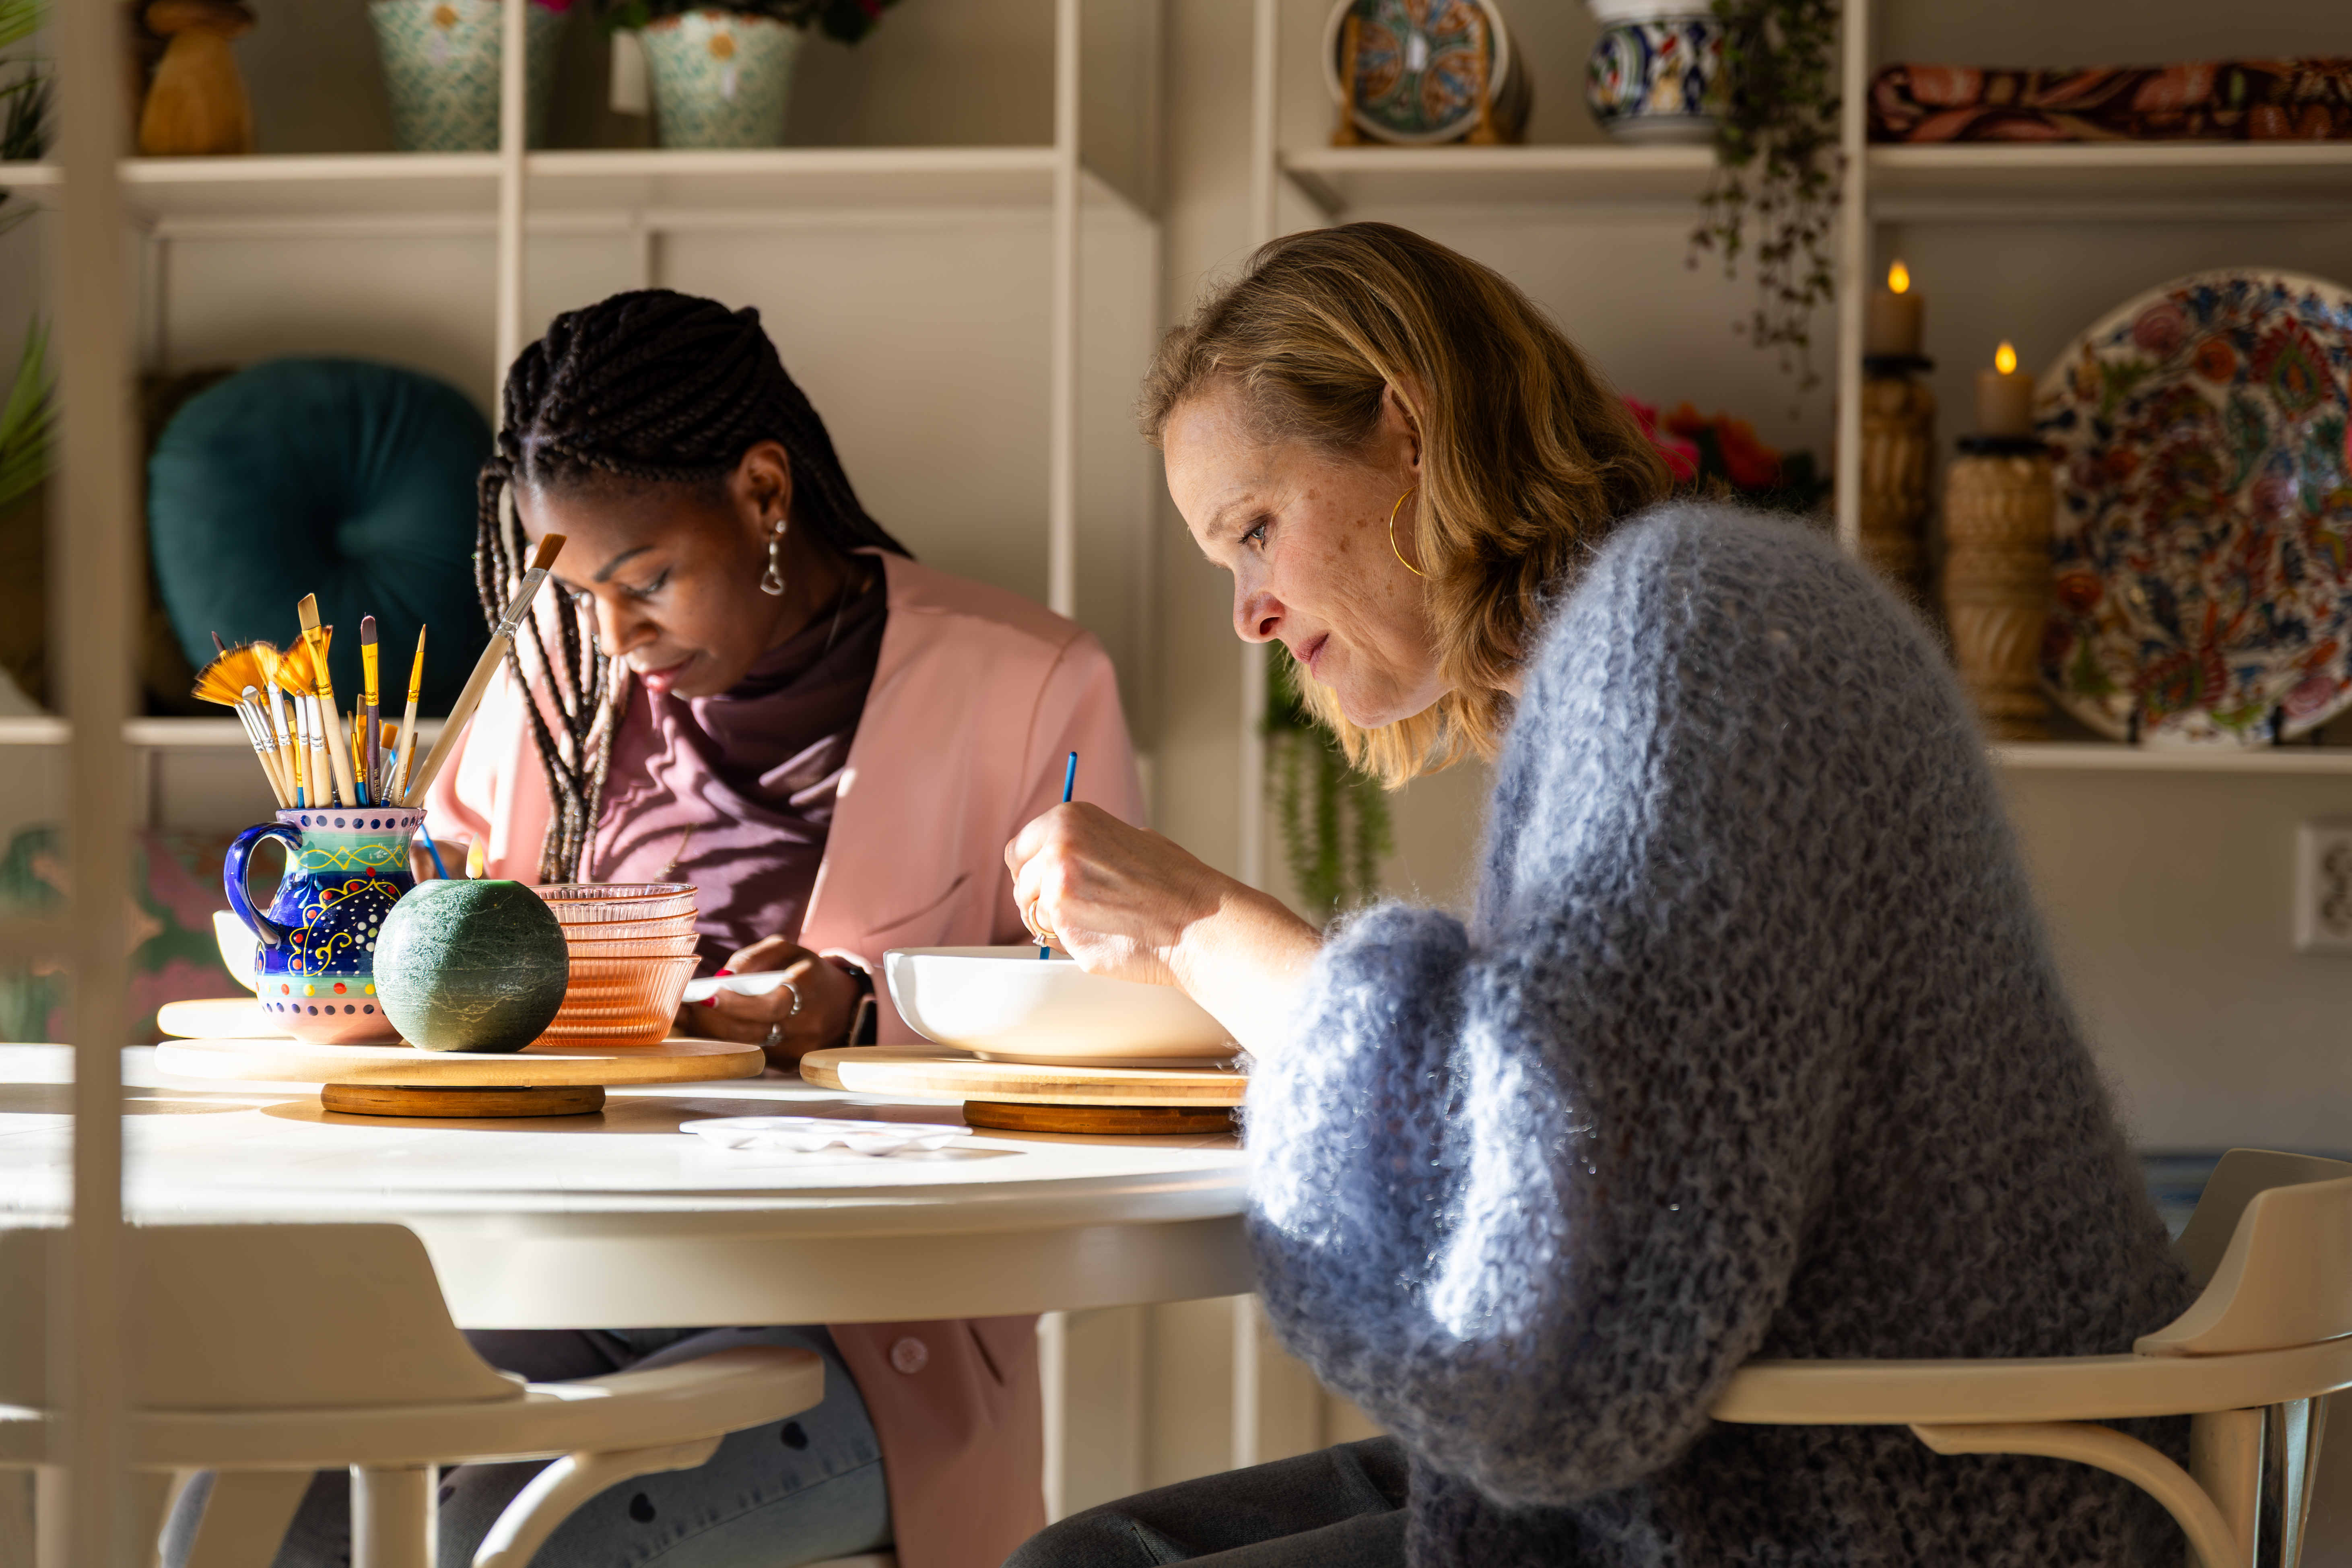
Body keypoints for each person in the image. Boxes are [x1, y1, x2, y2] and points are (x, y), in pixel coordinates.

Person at [998, 223, 2193, 1566]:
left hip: (1904, 1497)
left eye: (1257, 530)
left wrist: (1192, 923)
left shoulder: (1692, 634)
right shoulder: (1669, 632)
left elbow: (1563, 1207)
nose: (1249, 614)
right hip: (1821, 1432)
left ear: (1408, 430)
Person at [166, 290, 1145, 1568]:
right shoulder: (550, 691)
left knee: (501, 1541)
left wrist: (853, 1005)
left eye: (648, 581)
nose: (618, 640)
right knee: (240, 1500)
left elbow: (1109, 1009)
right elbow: (432, 978)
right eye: (578, 594)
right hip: (554, 1284)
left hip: (856, 1344)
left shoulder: (1029, 682)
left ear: (763, 492)